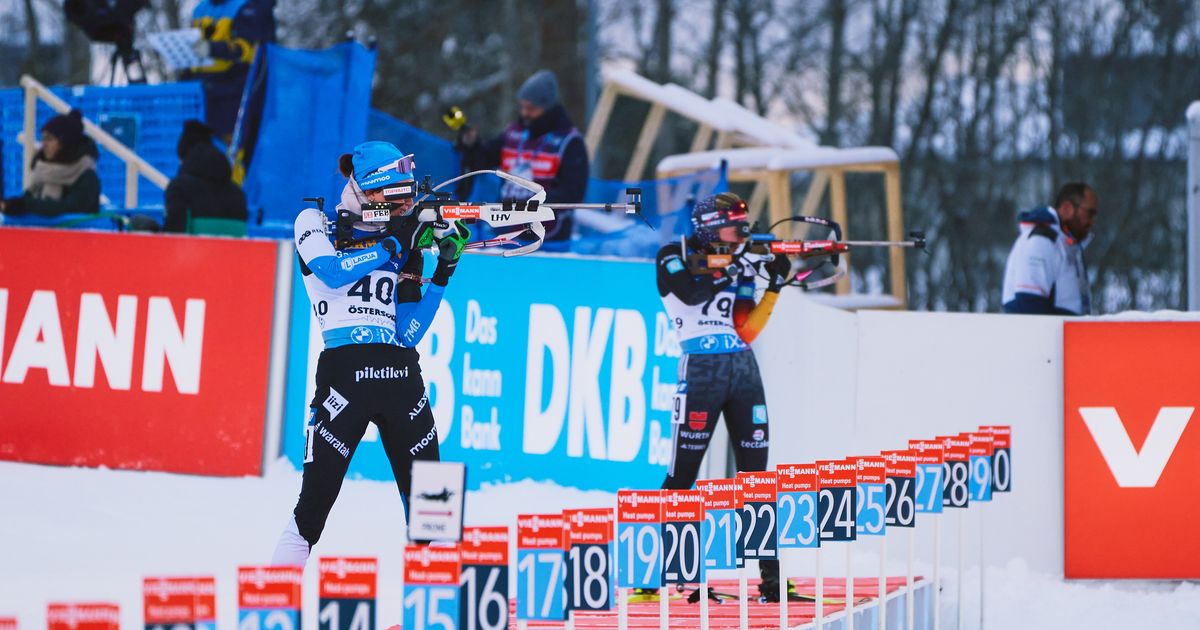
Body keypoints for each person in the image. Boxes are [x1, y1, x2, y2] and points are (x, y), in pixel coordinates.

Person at [271, 141, 471, 567]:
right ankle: (270, 600)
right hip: (346, 374)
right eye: (394, 196)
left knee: (436, 514)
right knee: (310, 513)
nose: (404, 206)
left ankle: (438, 601)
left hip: (401, 377)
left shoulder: (404, 238)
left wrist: (443, 272)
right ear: (367, 190)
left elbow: (407, 333)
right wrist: (392, 245)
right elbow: (330, 271)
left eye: (408, 196)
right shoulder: (315, 222)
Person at [654, 192, 793, 602]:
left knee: (756, 478)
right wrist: (732, 267)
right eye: (736, 228)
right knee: (683, 475)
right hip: (702, 369)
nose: (742, 236)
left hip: (743, 368)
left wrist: (774, 286)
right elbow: (690, 293)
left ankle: (771, 580)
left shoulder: (739, 262)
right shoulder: (672, 255)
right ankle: (665, 573)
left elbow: (746, 329)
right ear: (712, 228)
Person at [455, 69, 588, 248]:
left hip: (548, 240)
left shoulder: (569, 142)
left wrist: (530, 205)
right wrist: (472, 145)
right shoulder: (513, 133)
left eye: (531, 108)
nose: (524, 113)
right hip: (505, 235)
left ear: (547, 107)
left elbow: (573, 193)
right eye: (522, 106)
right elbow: (483, 160)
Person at [184, 0, 276, 141]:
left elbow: (249, 49)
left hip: (235, 92)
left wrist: (212, 49)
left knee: (235, 143)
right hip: (202, 92)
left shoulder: (247, 7)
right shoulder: (200, 9)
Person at [1001, 182, 1097, 315]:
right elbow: (1028, 308)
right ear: (1067, 208)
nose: (1092, 222)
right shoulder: (1041, 242)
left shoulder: (1068, 246)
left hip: (1064, 327)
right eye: (1089, 213)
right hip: (1043, 328)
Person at [0, 109, 100, 218]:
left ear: (66, 143)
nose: (44, 144)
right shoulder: (43, 173)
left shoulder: (86, 176)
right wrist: (10, 206)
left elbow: (70, 208)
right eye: (42, 139)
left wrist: (25, 205)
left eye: (49, 139)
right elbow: (28, 200)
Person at [163, 119, 248, 234]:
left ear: (186, 159)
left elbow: (173, 235)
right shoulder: (238, 194)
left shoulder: (179, 189)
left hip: (192, 246)